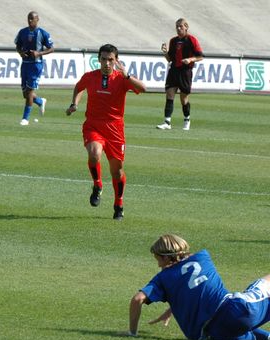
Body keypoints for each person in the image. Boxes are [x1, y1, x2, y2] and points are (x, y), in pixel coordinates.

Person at [125, 234, 270, 340]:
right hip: (235, 310)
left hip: (211, 335)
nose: (158, 265)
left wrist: (132, 333)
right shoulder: (202, 257)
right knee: (262, 286)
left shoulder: (162, 278)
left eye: (158, 260)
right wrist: (173, 308)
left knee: (240, 329)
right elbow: (194, 285)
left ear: (166, 258)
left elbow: (138, 299)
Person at [65, 44, 146, 220]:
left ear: (116, 60)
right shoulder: (90, 77)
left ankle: (119, 203)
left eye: (111, 60)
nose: (107, 63)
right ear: (98, 60)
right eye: (104, 59)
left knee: (117, 171)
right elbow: (79, 88)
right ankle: (97, 185)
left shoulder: (122, 79)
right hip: (93, 125)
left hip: (115, 129)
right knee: (94, 154)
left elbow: (142, 88)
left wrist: (127, 75)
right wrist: (74, 104)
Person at [156, 18, 203, 131]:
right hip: (174, 71)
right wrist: (165, 52)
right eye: (177, 26)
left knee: (184, 99)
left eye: (181, 26)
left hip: (185, 72)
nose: (178, 28)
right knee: (169, 95)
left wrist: (190, 60)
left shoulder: (192, 40)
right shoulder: (173, 41)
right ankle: (167, 122)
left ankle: (187, 119)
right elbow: (169, 59)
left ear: (186, 27)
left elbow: (200, 57)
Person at [14, 11, 54, 126]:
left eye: (32, 18)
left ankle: (25, 119)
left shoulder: (43, 33)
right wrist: (21, 52)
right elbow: (17, 45)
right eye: (29, 18)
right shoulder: (22, 32)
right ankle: (40, 101)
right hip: (25, 65)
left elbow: (51, 48)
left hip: (36, 66)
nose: (30, 20)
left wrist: (39, 53)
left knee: (30, 91)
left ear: (37, 19)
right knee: (25, 94)